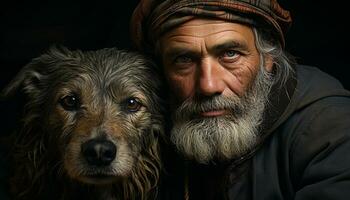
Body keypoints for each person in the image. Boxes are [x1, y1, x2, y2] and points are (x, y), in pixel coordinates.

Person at [130, 0, 350, 199]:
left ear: (267, 58)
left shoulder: (329, 124)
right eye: (184, 59)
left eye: (230, 54)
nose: (208, 86)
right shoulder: (149, 123)